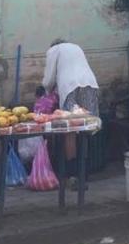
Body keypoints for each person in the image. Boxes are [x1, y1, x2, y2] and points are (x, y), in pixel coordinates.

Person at [41, 40, 99, 169]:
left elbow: (49, 79)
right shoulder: (76, 47)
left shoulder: (53, 50)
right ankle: (86, 167)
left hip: (70, 87)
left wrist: (47, 92)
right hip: (90, 83)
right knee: (87, 125)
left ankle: (72, 169)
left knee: (70, 128)